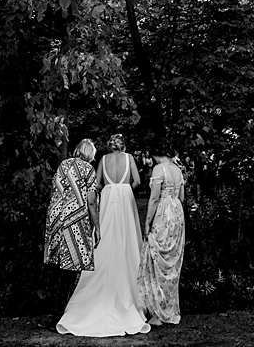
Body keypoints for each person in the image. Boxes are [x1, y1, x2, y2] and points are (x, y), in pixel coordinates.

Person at [56, 133, 151, 336]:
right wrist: (124, 187)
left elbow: (97, 184)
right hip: (125, 198)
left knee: (105, 236)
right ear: (123, 146)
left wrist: (110, 188)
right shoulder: (129, 159)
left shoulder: (103, 160)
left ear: (109, 146)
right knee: (128, 240)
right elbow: (137, 182)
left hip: (108, 197)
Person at [137, 146, 185, 325]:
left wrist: (147, 222)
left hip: (164, 212)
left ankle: (157, 312)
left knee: (157, 258)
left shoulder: (159, 169)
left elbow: (154, 198)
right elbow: (181, 196)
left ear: (156, 154)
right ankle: (169, 309)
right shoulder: (178, 170)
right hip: (177, 214)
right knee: (172, 261)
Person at [43, 138, 100, 277]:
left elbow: (55, 189)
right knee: (74, 263)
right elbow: (91, 202)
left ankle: (55, 292)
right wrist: (97, 227)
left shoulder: (63, 164)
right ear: (90, 154)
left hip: (56, 214)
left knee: (56, 261)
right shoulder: (89, 170)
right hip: (75, 218)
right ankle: (69, 295)